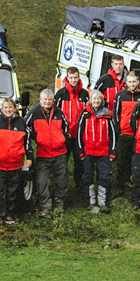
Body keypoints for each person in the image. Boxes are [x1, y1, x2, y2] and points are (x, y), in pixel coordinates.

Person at [0, 98, 32, 224]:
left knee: (12, 191)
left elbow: (27, 141)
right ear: (2, 108)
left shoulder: (21, 122)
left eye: (10, 107)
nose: (8, 110)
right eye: (5, 107)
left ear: (15, 108)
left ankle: (10, 215)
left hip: (15, 164)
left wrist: (30, 157)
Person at [25, 88, 70, 217]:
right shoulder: (34, 112)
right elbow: (25, 126)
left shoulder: (59, 112)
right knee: (42, 182)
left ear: (53, 101)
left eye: (50, 99)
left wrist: (62, 138)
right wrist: (36, 137)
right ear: (40, 100)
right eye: (45, 99)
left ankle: (59, 204)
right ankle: (46, 207)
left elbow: (66, 127)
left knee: (61, 181)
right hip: (42, 154)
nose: (47, 102)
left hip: (60, 153)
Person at [77, 90, 117, 214]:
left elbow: (113, 134)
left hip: (103, 151)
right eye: (94, 99)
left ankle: (102, 203)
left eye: (98, 99)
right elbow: (79, 132)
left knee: (104, 176)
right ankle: (91, 202)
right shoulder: (85, 113)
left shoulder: (107, 113)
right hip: (88, 151)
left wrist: (112, 152)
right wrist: (81, 151)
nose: (96, 101)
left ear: (102, 100)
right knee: (88, 176)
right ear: (90, 100)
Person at [54, 67, 89, 198]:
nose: (73, 80)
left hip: (79, 136)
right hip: (65, 136)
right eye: (71, 78)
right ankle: (61, 190)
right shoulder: (60, 94)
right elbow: (55, 115)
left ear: (79, 78)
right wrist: (60, 132)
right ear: (67, 78)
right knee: (62, 162)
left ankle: (79, 189)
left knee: (80, 163)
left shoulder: (85, 94)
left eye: (75, 78)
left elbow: (88, 114)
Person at [113, 72, 140, 189]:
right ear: (126, 82)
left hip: (138, 135)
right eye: (129, 82)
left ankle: (135, 184)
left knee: (136, 162)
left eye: (134, 81)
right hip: (124, 134)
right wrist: (118, 130)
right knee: (121, 161)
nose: (132, 84)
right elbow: (115, 114)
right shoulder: (120, 95)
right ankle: (120, 186)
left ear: (138, 82)